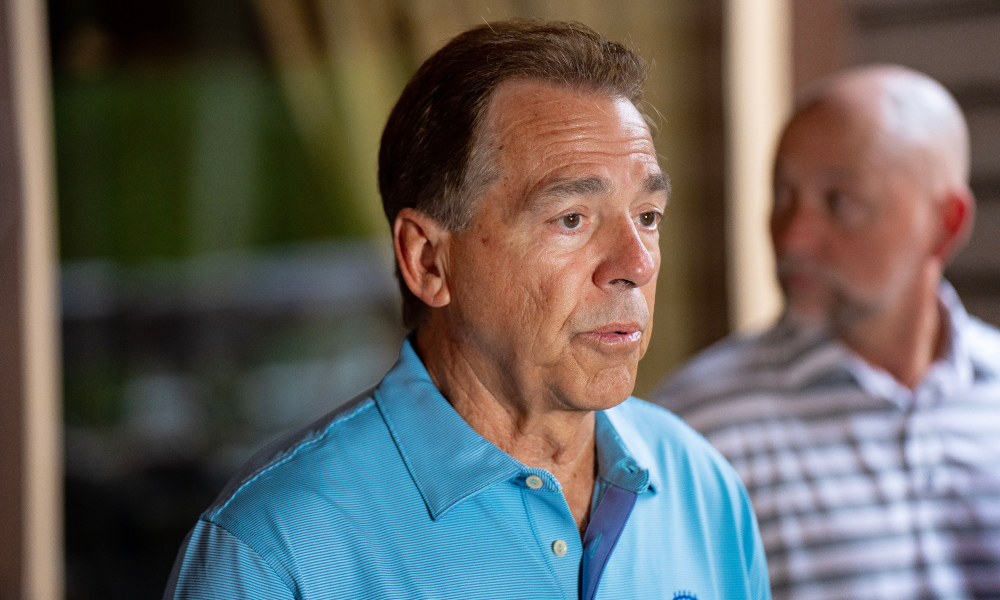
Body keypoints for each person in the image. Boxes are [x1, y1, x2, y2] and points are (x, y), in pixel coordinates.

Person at [163, 20, 769, 600]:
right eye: (572, 219)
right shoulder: (276, 547)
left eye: (648, 217)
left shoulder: (699, 484)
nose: (636, 263)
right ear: (428, 260)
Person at [654, 64, 1000, 600]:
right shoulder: (693, 434)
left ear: (946, 223)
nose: (794, 237)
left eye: (840, 202)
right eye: (783, 197)